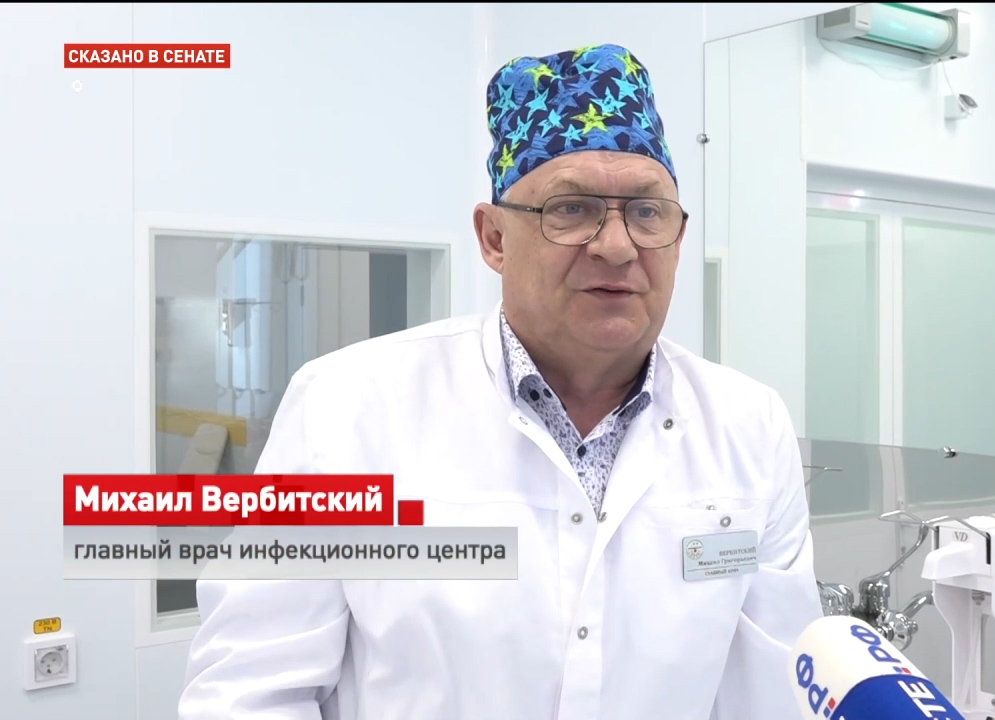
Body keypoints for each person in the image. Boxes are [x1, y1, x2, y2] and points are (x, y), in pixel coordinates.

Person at [178, 43, 822, 720]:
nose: (616, 245)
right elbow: (247, 695)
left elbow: (773, 695)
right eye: (571, 208)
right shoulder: (346, 410)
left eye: (647, 211)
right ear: (494, 239)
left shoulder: (749, 426)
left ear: (679, 237)